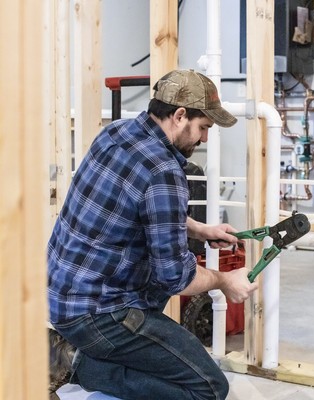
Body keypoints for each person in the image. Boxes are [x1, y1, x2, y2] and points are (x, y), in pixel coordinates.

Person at [48, 69, 258, 400]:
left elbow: (136, 205)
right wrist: (225, 280)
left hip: (61, 296)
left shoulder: (116, 133)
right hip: (99, 314)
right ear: (179, 116)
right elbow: (176, 278)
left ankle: (79, 357)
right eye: (203, 128)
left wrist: (200, 229)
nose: (204, 139)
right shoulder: (165, 171)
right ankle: (79, 364)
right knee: (209, 388)